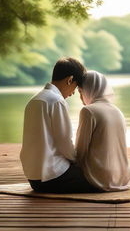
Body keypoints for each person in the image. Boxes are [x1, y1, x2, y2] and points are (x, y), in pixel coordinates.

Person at [20, 58, 100, 193]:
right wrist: (78, 161)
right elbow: (65, 142)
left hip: (34, 178)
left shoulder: (34, 100)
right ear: (69, 80)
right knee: (100, 179)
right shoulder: (56, 101)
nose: (73, 93)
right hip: (54, 177)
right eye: (75, 87)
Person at [76, 70, 130, 192]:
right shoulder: (118, 112)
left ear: (88, 90)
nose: (80, 97)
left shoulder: (88, 111)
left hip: (99, 178)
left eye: (80, 92)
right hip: (124, 177)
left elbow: (80, 151)